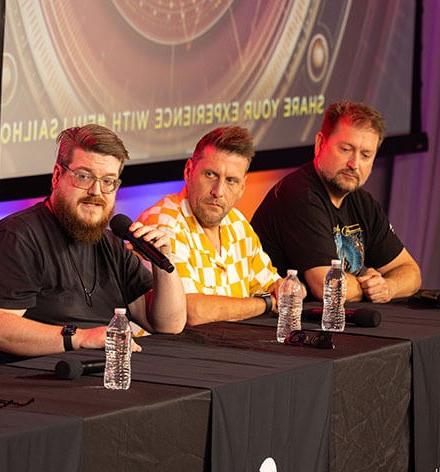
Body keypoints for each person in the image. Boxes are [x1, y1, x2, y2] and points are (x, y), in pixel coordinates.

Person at [0, 124, 186, 364]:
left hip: (101, 373)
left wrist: (163, 262)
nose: (96, 191)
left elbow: (169, 324)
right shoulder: (15, 237)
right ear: (56, 176)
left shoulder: (111, 243)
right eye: (83, 176)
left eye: (108, 181)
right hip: (34, 382)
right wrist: (80, 338)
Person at [251, 101, 421, 302]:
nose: (354, 164)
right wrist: (367, 286)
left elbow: (411, 272)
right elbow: (326, 286)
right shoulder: (298, 196)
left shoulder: (363, 202)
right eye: (346, 149)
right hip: (284, 325)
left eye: (366, 155)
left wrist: (387, 287)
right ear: (320, 144)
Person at [138, 126, 281, 324]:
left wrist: (288, 289)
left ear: (242, 187)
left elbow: (272, 285)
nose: (218, 191)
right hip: (181, 351)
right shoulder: (163, 223)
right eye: (210, 175)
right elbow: (190, 311)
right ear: (189, 171)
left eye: (231, 180)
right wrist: (264, 304)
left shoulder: (237, 223)